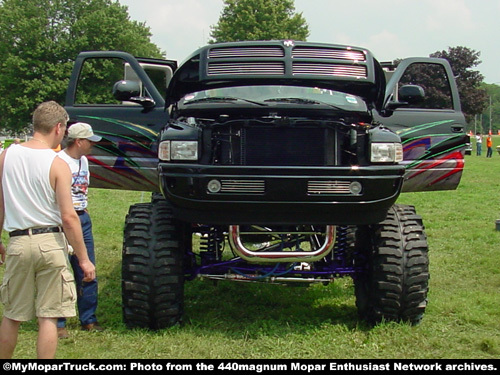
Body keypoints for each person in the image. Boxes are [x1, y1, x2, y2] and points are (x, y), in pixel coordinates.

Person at [0, 101, 95, 359]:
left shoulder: (7, 155)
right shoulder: (57, 163)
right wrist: (84, 259)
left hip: (18, 241)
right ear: (58, 128)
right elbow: (68, 216)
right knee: (49, 316)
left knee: (12, 315)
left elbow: (1, 204)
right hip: (51, 241)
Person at [56, 122, 103, 338]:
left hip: (82, 217)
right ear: (79, 141)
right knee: (60, 271)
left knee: (87, 269)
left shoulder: (84, 160)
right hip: (63, 219)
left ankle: (88, 319)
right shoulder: (59, 162)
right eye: (89, 140)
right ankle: (58, 322)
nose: (93, 144)